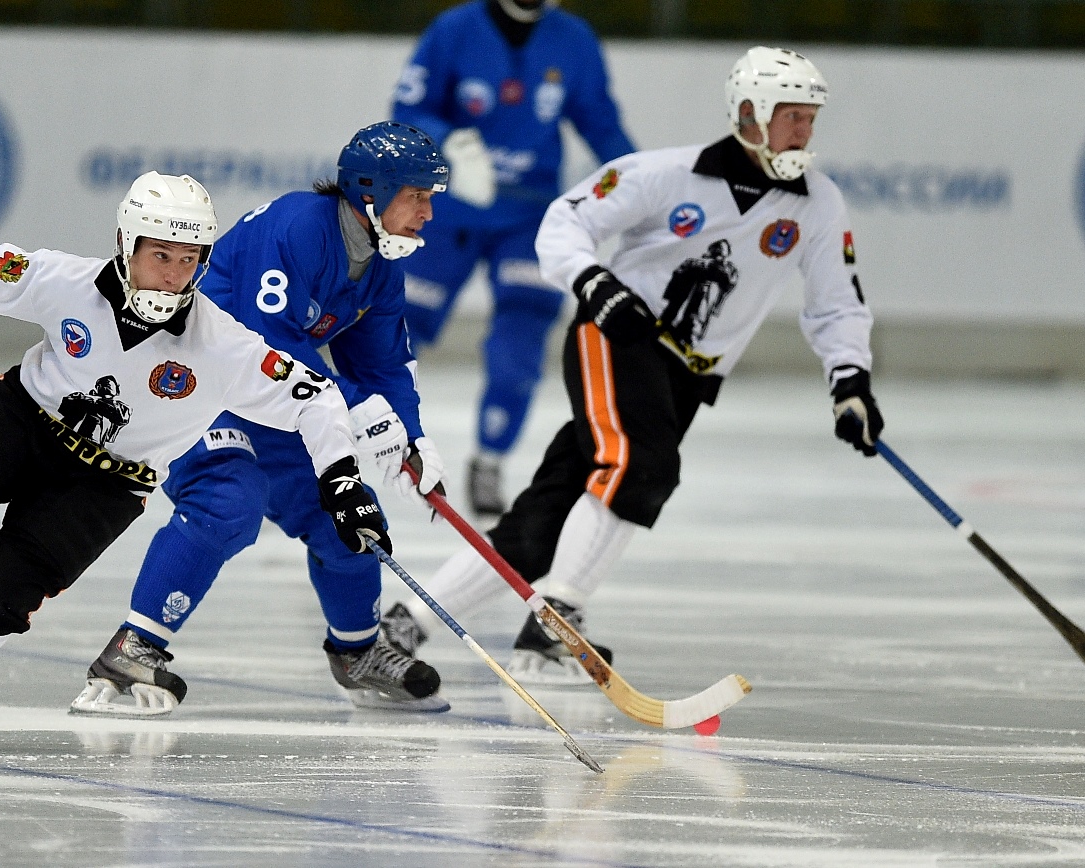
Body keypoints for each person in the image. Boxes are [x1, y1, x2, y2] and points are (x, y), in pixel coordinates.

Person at [0, 171, 394, 746]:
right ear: (126, 247)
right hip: (20, 421)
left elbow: (311, 396)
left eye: (189, 261)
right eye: (161, 256)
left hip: (107, 486)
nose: (174, 276)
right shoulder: (69, 282)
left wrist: (340, 478)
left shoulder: (222, 343)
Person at [381, 47, 885, 685]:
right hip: (618, 335)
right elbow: (566, 220)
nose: (804, 132)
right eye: (792, 117)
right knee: (640, 464)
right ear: (750, 114)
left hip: (689, 376)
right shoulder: (666, 174)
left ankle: (406, 623)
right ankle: (556, 618)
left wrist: (850, 382)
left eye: (810, 119)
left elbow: (839, 304)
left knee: (552, 509)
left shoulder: (818, 203)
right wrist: (594, 283)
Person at [68, 122, 453, 718]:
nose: (428, 212)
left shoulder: (381, 267)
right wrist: (355, 406)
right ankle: (134, 647)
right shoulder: (299, 227)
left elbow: (383, 368)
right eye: (418, 196)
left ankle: (357, 653)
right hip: (195, 385)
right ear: (372, 193)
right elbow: (264, 338)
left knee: (346, 515)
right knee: (229, 499)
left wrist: (412, 437)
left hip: (276, 397)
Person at [391, 0, 636, 516]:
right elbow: (409, 108)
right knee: (394, 330)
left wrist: (640, 185)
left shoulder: (573, 39)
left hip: (529, 217)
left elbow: (602, 125)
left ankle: (489, 459)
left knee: (521, 340)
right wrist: (449, 141)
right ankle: (353, 445)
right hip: (446, 208)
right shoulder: (454, 29)